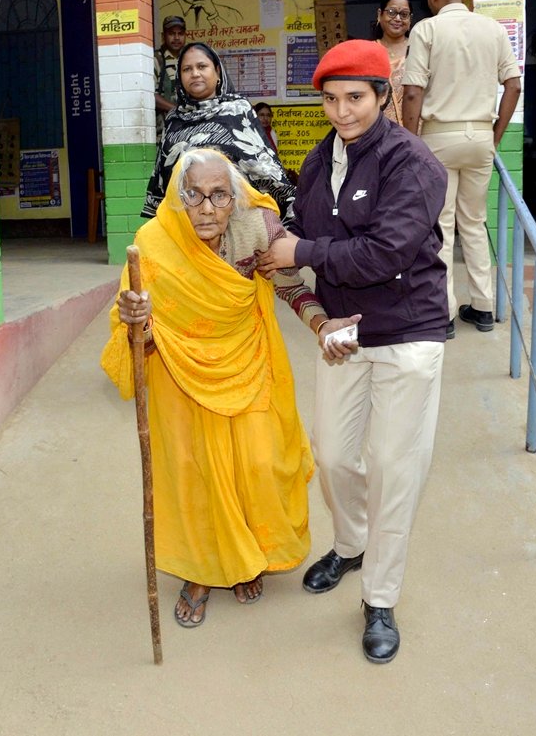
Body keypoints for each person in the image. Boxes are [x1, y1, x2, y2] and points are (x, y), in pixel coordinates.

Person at [102, 147, 358, 628]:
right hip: (180, 371)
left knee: (259, 463)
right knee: (195, 471)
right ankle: (201, 572)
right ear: (177, 199)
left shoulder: (256, 228)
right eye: (193, 195)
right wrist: (138, 321)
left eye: (218, 196)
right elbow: (133, 321)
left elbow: (291, 285)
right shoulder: (153, 242)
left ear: (234, 199)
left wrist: (323, 327)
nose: (205, 208)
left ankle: (248, 556)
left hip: (248, 358)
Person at [257, 40, 448, 664]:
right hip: (344, 330)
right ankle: (351, 541)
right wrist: (271, 236)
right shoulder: (316, 163)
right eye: (332, 100)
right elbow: (305, 233)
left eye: (356, 99)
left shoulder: (412, 163)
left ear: (384, 96)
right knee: (335, 455)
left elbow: (385, 253)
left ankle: (381, 597)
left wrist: (301, 255)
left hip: (407, 330)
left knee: (395, 467)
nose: (343, 112)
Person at [402, 0, 521, 338]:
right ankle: (483, 307)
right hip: (481, 138)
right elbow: (513, 86)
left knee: (442, 226)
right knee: (474, 221)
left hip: (438, 137)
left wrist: (410, 142)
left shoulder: (427, 29)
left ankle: (445, 312)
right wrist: (496, 134)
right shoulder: (494, 29)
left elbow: (412, 92)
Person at [142, 42, 295, 221]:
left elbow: (265, 169)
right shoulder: (174, 119)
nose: (195, 74)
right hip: (185, 223)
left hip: (236, 220)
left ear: (217, 72)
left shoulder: (237, 110)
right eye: (187, 69)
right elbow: (163, 177)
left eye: (202, 66)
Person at [371, 0, 413, 124]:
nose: (398, 19)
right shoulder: (368, 51)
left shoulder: (419, 49)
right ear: (380, 14)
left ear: (410, 19)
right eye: (391, 12)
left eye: (404, 14)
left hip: (416, 130)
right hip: (379, 131)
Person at [154, 15, 186, 142]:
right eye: (172, 34)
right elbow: (150, 96)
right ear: (163, 36)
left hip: (186, 133)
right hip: (163, 134)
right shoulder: (157, 59)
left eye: (180, 33)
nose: (177, 38)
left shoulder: (189, 58)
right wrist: (178, 110)